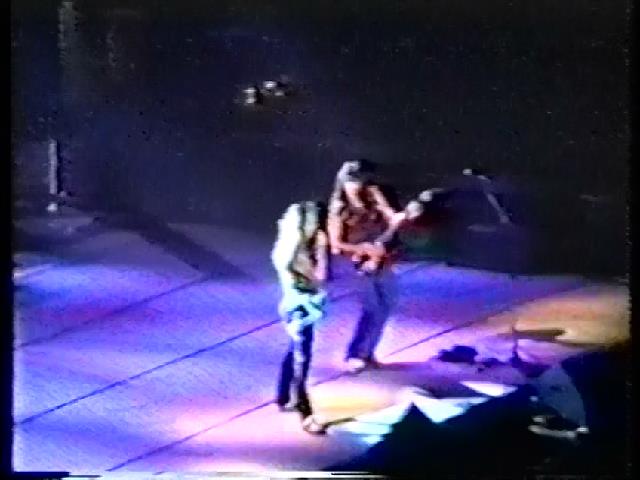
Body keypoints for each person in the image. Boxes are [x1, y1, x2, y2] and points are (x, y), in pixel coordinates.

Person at [327, 160, 405, 374]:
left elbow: (391, 216)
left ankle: (368, 352)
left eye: (361, 181)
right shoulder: (339, 209)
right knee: (372, 308)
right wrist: (361, 248)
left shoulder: (372, 195)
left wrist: (394, 216)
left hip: (380, 259)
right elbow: (336, 245)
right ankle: (355, 353)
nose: (358, 186)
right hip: (355, 263)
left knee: (387, 304)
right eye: (353, 182)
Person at [271, 201, 329, 435]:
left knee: (296, 351)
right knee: (301, 358)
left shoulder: (293, 250)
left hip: (302, 306)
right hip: (300, 309)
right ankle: (305, 413)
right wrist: (322, 250)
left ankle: (282, 396)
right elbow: (321, 277)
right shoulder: (296, 256)